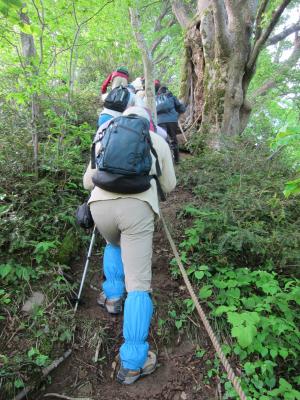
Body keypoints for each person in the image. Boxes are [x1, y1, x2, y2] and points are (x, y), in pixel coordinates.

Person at [83, 106, 176, 385]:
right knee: (139, 285)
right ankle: (134, 362)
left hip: (100, 205)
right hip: (137, 209)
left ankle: (112, 297)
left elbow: (88, 180)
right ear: (147, 121)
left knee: (113, 243)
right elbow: (169, 185)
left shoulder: (103, 132)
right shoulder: (156, 140)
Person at [156, 86, 186, 163]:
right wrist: (177, 114)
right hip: (172, 121)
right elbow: (181, 108)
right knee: (173, 139)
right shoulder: (171, 97)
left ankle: (163, 160)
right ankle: (176, 160)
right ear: (167, 91)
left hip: (160, 121)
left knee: (162, 139)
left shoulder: (156, 98)